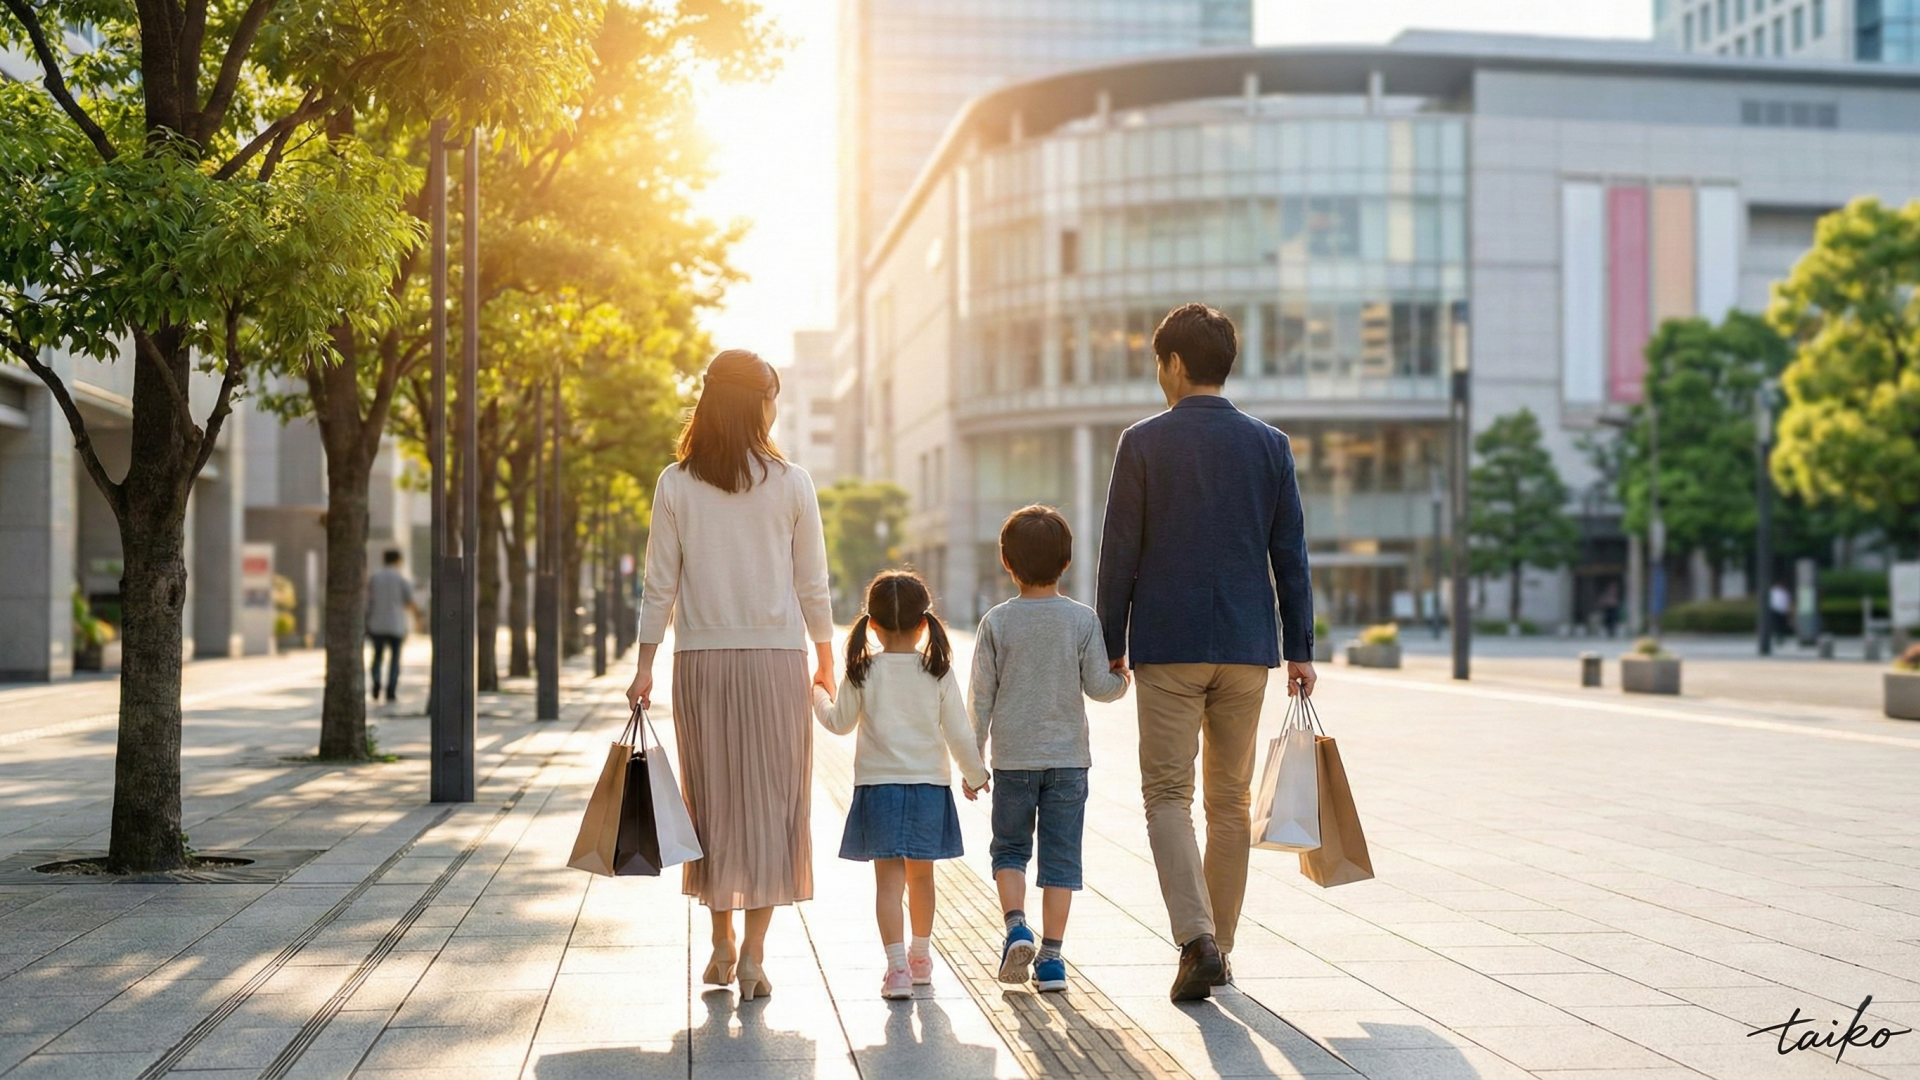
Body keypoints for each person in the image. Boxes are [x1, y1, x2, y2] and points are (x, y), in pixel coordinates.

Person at [1096, 302, 1316, 1002]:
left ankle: (1197, 942)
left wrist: (1110, 641)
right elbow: (1291, 556)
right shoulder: (1270, 446)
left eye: (1158, 363)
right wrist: (1300, 648)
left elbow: (1119, 553)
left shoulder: (1142, 443)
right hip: (1247, 648)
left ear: (1174, 364)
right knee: (1229, 802)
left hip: (1170, 645)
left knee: (1167, 795)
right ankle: (1221, 946)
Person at [628, 349, 834, 1003]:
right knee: (774, 803)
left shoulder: (675, 483)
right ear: (757, 403)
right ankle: (753, 958)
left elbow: (659, 584)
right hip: (777, 661)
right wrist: (826, 657)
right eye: (772, 396)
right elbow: (813, 583)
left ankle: (721, 945)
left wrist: (644, 666)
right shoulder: (792, 482)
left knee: (711, 802)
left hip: (701, 663)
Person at [970, 506, 1130, 994]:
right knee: (1061, 860)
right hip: (1067, 762)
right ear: (1066, 562)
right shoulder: (1082, 620)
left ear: (1006, 561)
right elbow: (1099, 687)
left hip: (1012, 761)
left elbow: (979, 698)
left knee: (1010, 849)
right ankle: (1053, 961)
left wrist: (973, 760)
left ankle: (1016, 927)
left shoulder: (997, 622)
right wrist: (1122, 679)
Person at [813, 570, 990, 1000]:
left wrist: (818, 692)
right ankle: (921, 959)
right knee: (922, 880)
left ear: (872, 624)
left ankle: (896, 970)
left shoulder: (862, 670)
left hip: (879, 791)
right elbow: (959, 733)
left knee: (888, 885)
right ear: (924, 624)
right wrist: (975, 775)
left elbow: (838, 722)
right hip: (929, 789)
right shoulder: (937, 671)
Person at [365, 550, 418, 703]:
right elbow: (410, 601)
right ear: (398, 561)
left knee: (377, 656)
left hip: (377, 624)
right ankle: (391, 691)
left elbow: (368, 600)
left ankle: (376, 680)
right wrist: (417, 618)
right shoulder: (401, 578)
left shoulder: (374, 577)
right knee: (395, 660)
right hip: (396, 625)